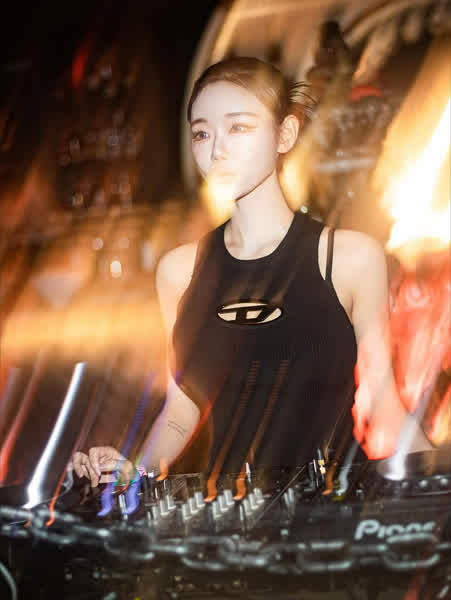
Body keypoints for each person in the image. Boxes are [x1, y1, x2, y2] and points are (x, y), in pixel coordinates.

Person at [73, 57, 431, 487]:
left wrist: (439, 476)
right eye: (202, 133)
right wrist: (136, 472)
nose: (216, 149)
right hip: (223, 512)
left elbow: (382, 401)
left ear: (285, 134)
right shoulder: (179, 271)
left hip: (329, 507)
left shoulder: (350, 258)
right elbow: (181, 408)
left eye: (238, 127)